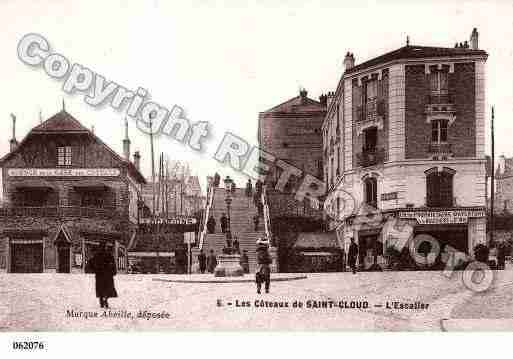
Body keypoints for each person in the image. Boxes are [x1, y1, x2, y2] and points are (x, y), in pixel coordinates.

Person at [88, 242, 117, 308]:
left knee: (100, 289)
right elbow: (113, 264)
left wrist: (94, 270)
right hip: (108, 275)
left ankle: (101, 302)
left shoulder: (96, 255)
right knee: (107, 288)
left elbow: (90, 263)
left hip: (99, 275)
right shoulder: (109, 255)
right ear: (105, 247)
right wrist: (113, 272)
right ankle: (105, 298)